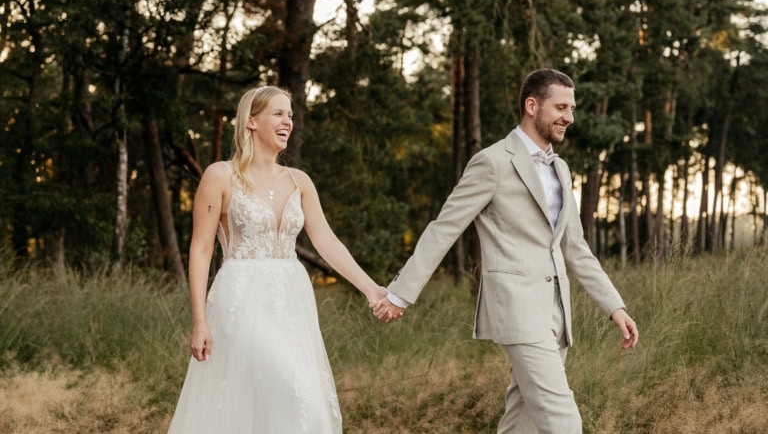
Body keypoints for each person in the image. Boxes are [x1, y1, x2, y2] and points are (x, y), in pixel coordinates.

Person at [373, 69, 638, 433]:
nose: (569, 117)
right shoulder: (492, 162)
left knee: (522, 422)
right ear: (532, 106)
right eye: (561, 107)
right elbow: (445, 227)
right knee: (564, 422)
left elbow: (575, 248)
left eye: (572, 108)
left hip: (556, 316)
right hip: (517, 309)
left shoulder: (560, 167)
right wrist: (401, 294)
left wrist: (615, 307)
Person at [167, 86, 387, 434]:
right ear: (251, 121)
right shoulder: (219, 175)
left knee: (301, 406)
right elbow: (201, 249)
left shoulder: (299, 181)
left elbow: (327, 240)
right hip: (242, 301)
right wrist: (199, 320)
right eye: (279, 114)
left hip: (292, 304)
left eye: (291, 116)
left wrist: (370, 289)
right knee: (290, 394)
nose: (288, 122)